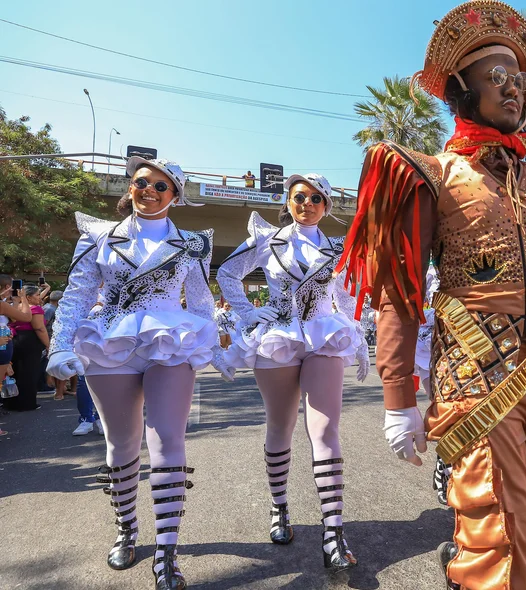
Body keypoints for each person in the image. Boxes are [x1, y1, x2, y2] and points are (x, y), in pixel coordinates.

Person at [336, 4, 526, 587]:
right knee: (497, 536)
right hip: (473, 380)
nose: (513, 89)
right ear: (459, 90)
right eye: (496, 77)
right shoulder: (429, 173)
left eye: (520, 79)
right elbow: (401, 291)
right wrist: (398, 394)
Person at [47, 157, 231, 590]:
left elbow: (203, 303)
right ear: (130, 188)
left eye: (160, 186)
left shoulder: (192, 244)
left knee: (168, 437)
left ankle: (167, 551)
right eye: (141, 182)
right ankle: (127, 529)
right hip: (110, 342)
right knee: (121, 442)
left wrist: (220, 346)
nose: (149, 190)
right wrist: (57, 346)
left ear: (176, 196)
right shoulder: (97, 236)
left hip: (171, 342)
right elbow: (77, 296)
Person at [218, 173, 368, 573]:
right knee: (280, 426)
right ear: (288, 199)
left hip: (323, 336)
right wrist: (249, 312)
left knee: (325, 430)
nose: (308, 203)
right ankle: (279, 506)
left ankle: (333, 532)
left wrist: (360, 335)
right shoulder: (267, 240)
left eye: (317, 198)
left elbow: (345, 293)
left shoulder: (337, 247)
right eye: (300, 196)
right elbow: (227, 274)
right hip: (279, 338)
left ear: (326, 205)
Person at [3, 285, 49, 412]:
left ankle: (11, 402)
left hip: (15, 340)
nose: (40, 297)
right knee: (29, 373)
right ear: (28, 297)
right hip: (30, 341)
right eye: (37, 295)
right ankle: (27, 403)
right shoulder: (35, 309)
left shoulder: (14, 307)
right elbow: (39, 328)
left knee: (15, 372)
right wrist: (48, 344)